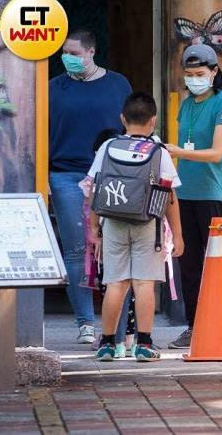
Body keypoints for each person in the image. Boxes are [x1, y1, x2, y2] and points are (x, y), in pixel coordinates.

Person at [49, 29, 132, 344]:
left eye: (74, 52)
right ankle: (85, 323)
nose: (68, 58)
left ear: (91, 52)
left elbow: (130, 127)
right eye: (65, 53)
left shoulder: (118, 85)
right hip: (65, 175)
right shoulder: (53, 88)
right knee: (76, 249)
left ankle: (117, 331)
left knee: (115, 249)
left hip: (111, 176)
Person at [164, 44, 222, 349]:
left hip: (213, 194)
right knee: (187, 262)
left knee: (220, 262)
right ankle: (193, 324)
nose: (194, 79)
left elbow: (216, 153)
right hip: (184, 193)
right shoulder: (186, 105)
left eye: (200, 74)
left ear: (214, 72)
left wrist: (179, 152)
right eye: (188, 74)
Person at [88, 92, 183, 362]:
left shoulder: (108, 147)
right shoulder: (158, 151)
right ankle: (144, 344)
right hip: (147, 224)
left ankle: (106, 345)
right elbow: (170, 198)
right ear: (153, 121)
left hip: (113, 222)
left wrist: (94, 227)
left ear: (122, 119)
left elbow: (95, 188)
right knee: (144, 284)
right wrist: (178, 234)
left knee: (115, 283)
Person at [80, 128, 137, 357]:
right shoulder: (135, 170)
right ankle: (135, 340)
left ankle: (111, 341)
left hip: (107, 238)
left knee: (112, 286)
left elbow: (90, 204)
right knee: (134, 288)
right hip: (137, 234)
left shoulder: (93, 177)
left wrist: (94, 232)